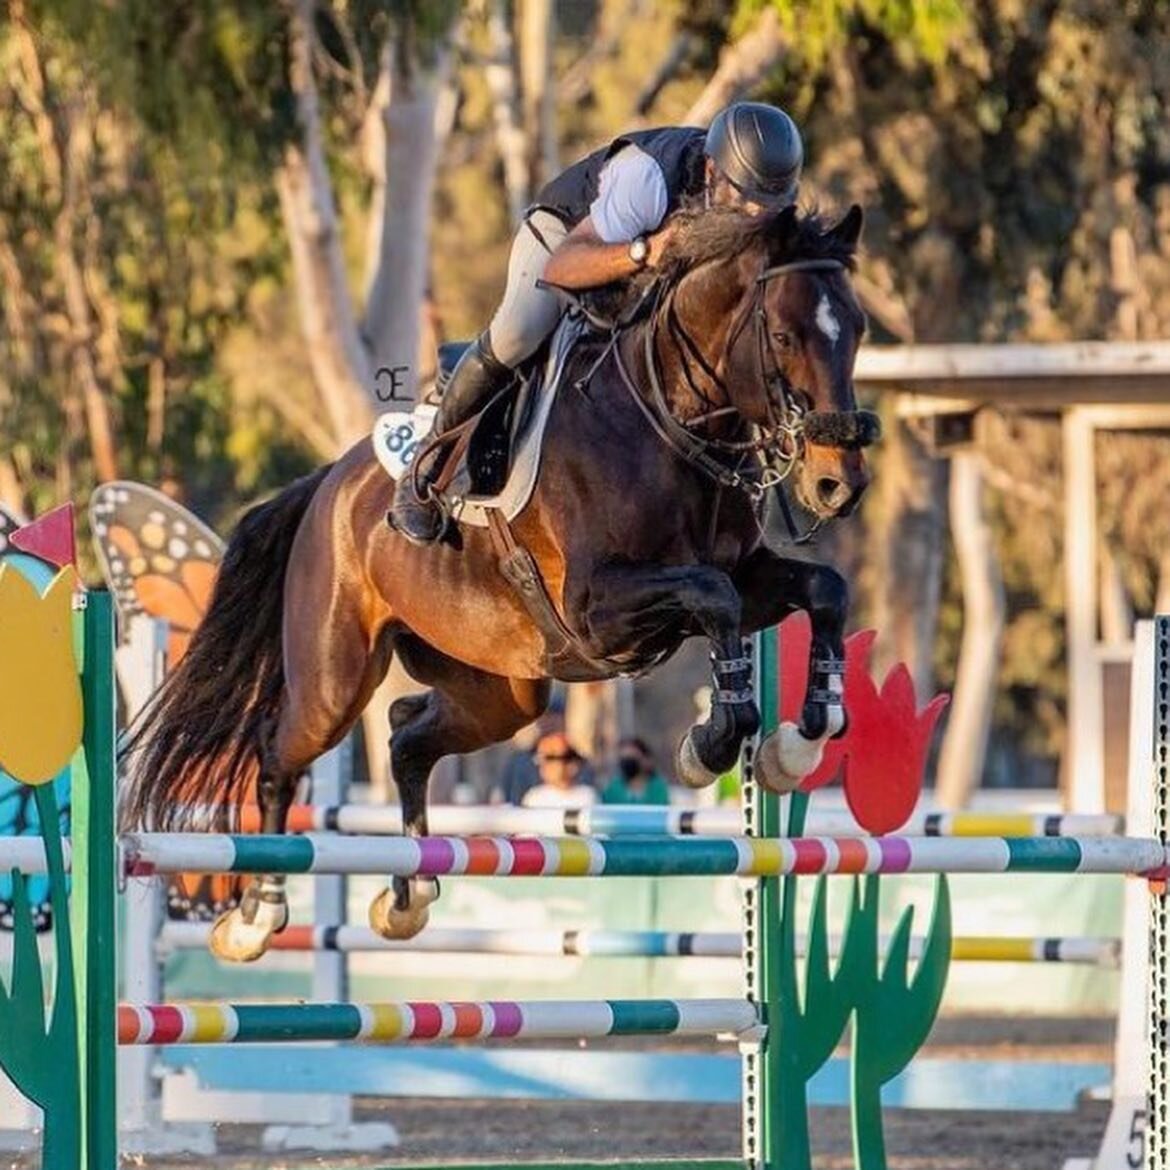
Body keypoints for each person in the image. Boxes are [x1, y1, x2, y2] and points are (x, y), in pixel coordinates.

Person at [389, 101, 805, 544]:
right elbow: (562, 267)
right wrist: (645, 252)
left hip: (649, 265)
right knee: (519, 332)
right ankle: (424, 472)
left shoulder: (759, 204)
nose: (755, 215)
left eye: (769, 205)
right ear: (709, 172)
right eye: (744, 197)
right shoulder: (645, 177)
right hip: (571, 237)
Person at [521, 732, 597, 809]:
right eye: (539, 757)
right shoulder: (534, 799)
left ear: (572, 763)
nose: (543, 764)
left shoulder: (588, 796)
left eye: (550, 758)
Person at [602, 737, 672, 806]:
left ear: (646, 760)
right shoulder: (613, 789)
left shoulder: (657, 788)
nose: (628, 764)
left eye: (632, 759)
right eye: (625, 759)